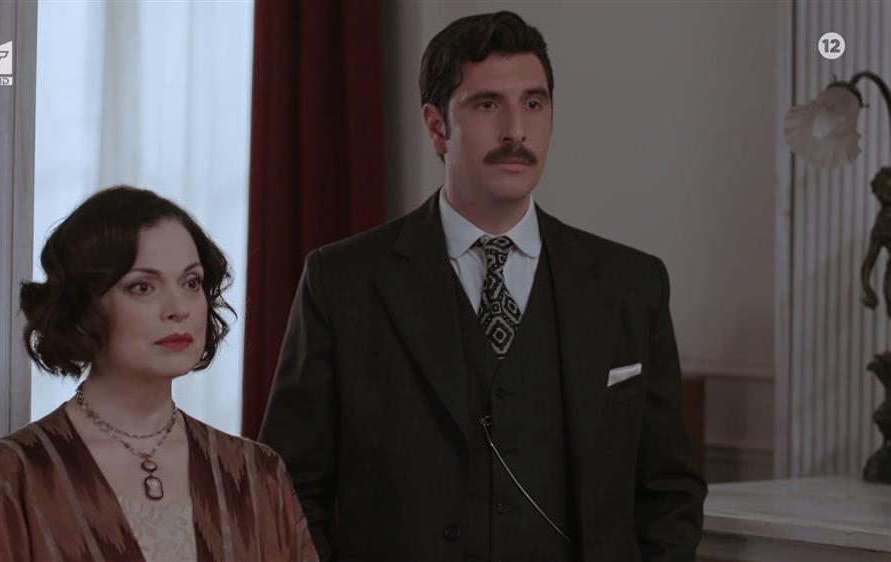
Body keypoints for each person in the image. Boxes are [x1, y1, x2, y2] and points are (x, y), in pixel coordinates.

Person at [259, 11, 706, 562]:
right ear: (437, 126)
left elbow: (669, 491)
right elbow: (288, 491)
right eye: (488, 104)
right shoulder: (342, 281)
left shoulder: (631, 286)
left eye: (534, 104)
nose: (516, 131)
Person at [0, 186, 318, 562]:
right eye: (142, 287)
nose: (178, 308)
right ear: (82, 307)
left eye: (191, 283)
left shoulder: (256, 475)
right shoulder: (13, 478)